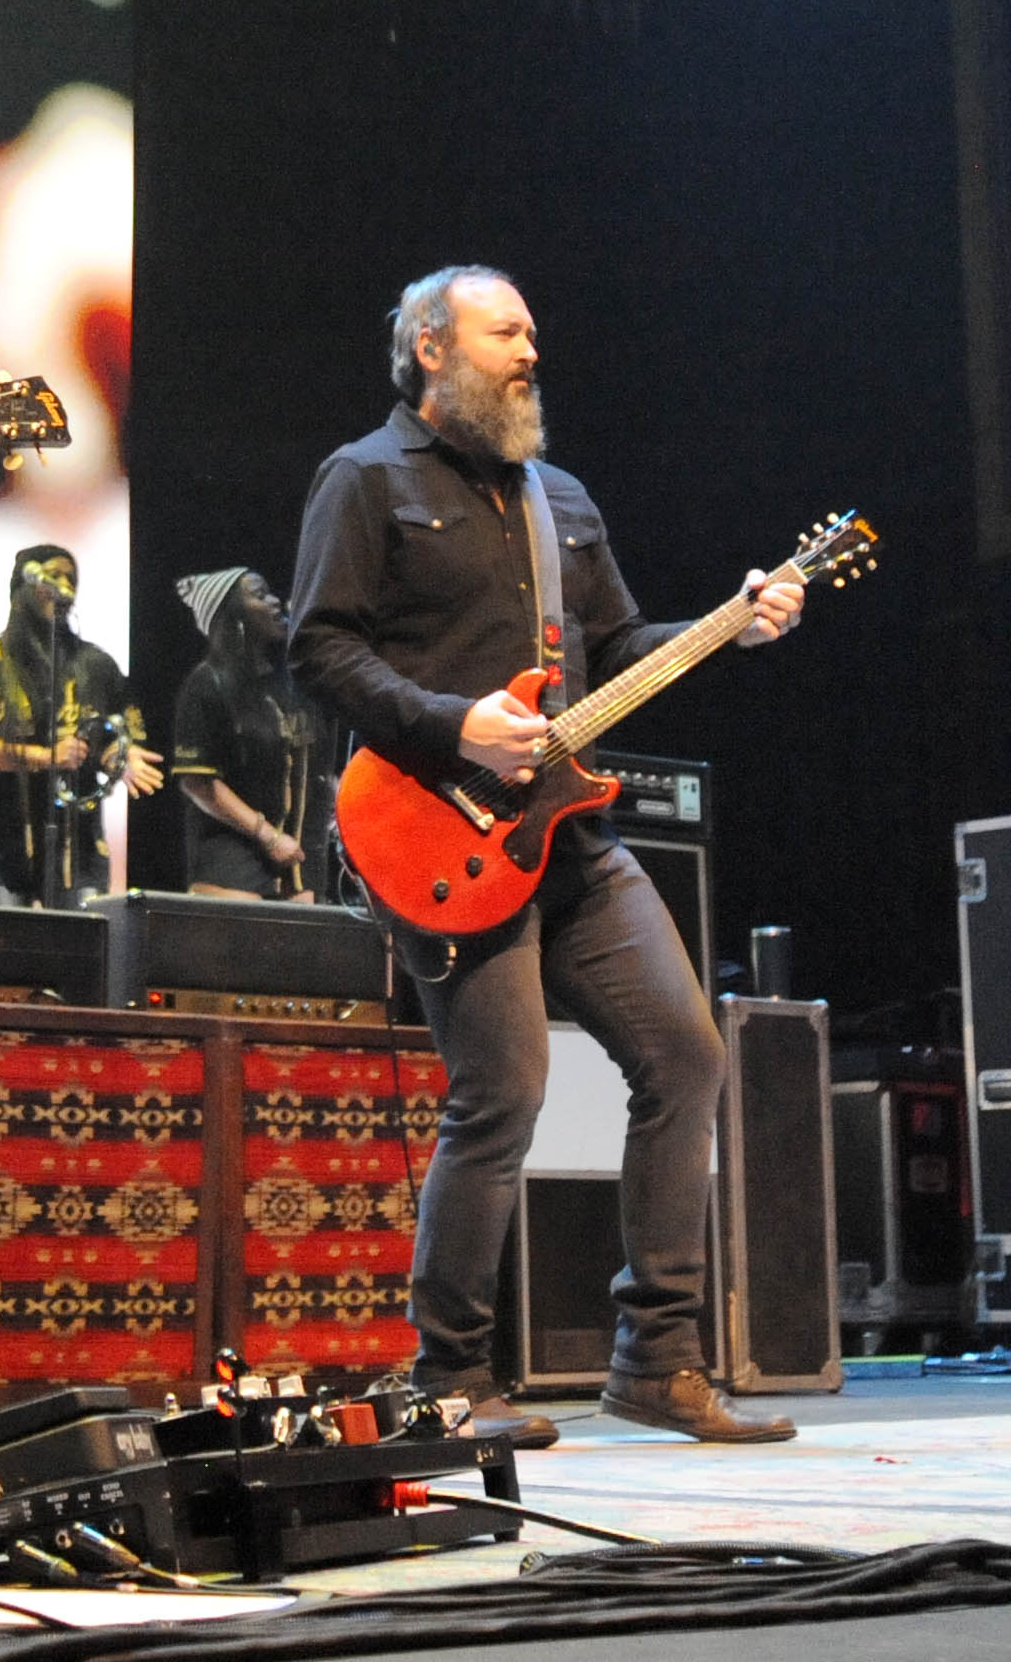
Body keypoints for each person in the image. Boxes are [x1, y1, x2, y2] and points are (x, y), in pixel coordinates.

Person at [288, 266, 804, 1446]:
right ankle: (452, 1376)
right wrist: (452, 722)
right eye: (504, 332)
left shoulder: (557, 495)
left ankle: (657, 1359)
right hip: (436, 826)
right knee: (504, 1089)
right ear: (430, 345)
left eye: (531, 333)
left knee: (685, 1055)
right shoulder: (364, 477)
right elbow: (318, 648)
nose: (530, 351)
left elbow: (615, 647)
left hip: (569, 831)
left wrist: (731, 622)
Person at [0, 545, 159, 905]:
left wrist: (121, 757)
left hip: (77, 847)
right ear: (21, 587)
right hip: (0, 844)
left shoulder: (96, 665)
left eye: (70, 579)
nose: (64, 586)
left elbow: (120, 735)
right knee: (4, 938)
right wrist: (45, 756)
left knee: (79, 938)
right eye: (53, 576)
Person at [167, 568, 331, 899]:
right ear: (233, 616)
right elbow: (197, 783)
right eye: (259, 595)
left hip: (296, 860)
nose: (275, 602)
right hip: (232, 860)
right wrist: (267, 835)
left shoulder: (291, 684)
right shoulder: (207, 684)